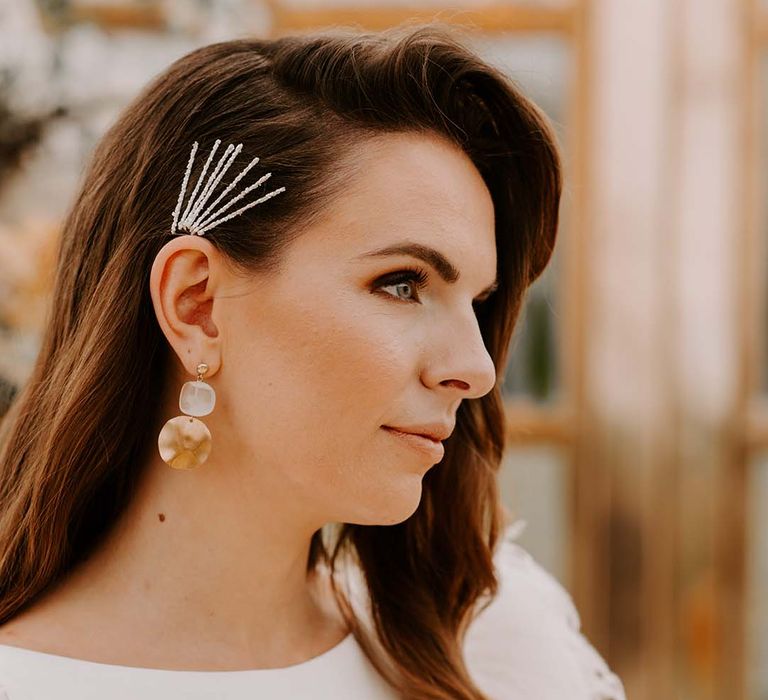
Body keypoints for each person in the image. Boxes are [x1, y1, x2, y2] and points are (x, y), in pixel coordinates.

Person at [0, 22, 625, 700]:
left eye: (477, 303)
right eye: (403, 283)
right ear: (197, 305)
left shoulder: (492, 655)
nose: (475, 369)